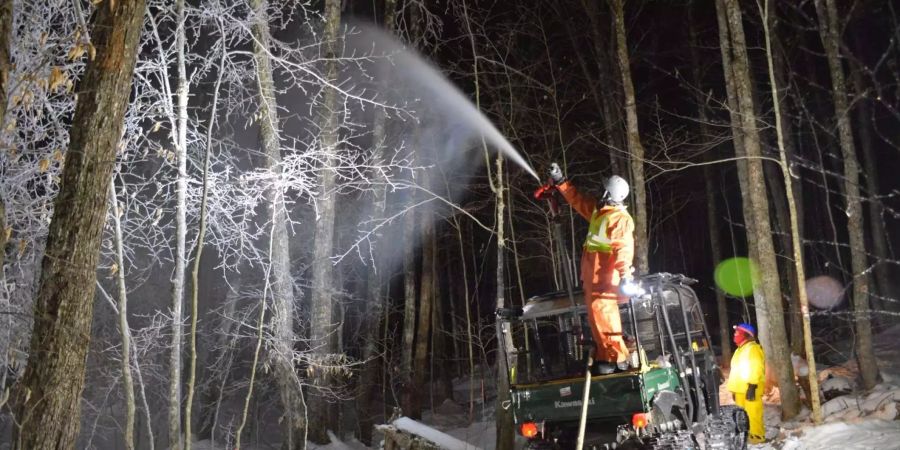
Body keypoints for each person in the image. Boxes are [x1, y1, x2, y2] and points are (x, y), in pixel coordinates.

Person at [549, 163, 641, 374]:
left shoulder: (620, 219)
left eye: (603, 190)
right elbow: (578, 201)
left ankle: (614, 359)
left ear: (609, 193)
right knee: (597, 318)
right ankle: (605, 356)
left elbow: (623, 249)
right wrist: (561, 182)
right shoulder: (601, 214)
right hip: (593, 277)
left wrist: (626, 275)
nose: (600, 193)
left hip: (604, 279)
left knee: (604, 316)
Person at [727, 322, 766, 444]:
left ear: (746, 335)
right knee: (742, 416)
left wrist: (752, 386)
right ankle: (748, 436)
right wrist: (734, 390)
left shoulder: (753, 349)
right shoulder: (740, 350)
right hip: (740, 390)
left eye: (737, 332)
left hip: (750, 388)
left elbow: (756, 367)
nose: (735, 335)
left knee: (753, 414)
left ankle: (757, 437)